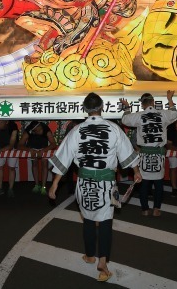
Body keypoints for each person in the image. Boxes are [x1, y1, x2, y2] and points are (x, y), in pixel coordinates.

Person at [48, 92, 142, 283]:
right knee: (106, 222)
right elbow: (127, 152)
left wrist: (55, 184)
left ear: (84, 109)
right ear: (102, 108)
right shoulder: (113, 129)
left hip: (84, 183)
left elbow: (64, 158)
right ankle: (103, 261)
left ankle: (90, 255)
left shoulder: (77, 130)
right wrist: (137, 171)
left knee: (88, 219)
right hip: (106, 183)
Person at [120, 90, 177, 216]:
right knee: (158, 183)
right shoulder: (162, 114)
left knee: (144, 182)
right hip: (158, 154)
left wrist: (127, 107)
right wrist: (169, 99)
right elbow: (174, 114)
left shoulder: (139, 115)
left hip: (145, 154)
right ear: (153, 102)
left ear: (142, 104)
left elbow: (125, 119)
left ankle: (145, 209)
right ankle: (156, 209)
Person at [18, 120, 56, 195]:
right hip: (32, 148)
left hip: (44, 148)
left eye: (39, 130)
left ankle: (43, 186)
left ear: (41, 126)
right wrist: (29, 149)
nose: (38, 132)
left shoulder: (46, 129)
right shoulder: (29, 130)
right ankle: (36, 184)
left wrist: (43, 150)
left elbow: (53, 144)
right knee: (34, 164)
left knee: (44, 165)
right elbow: (19, 145)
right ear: (33, 131)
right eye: (36, 131)